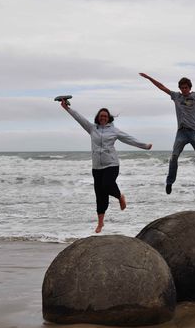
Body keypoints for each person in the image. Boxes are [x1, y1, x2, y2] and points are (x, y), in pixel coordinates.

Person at [60, 99, 152, 233]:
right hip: (96, 167)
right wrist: (66, 108)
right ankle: (100, 223)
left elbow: (129, 139)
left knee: (107, 184)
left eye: (105, 116)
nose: (103, 118)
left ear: (108, 118)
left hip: (111, 164)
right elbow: (79, 118)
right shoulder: (92, 128)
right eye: (101, 116)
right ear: (98, 117)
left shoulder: (114, 131)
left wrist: (144, 146)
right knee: (100, 194)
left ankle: (120, 196)